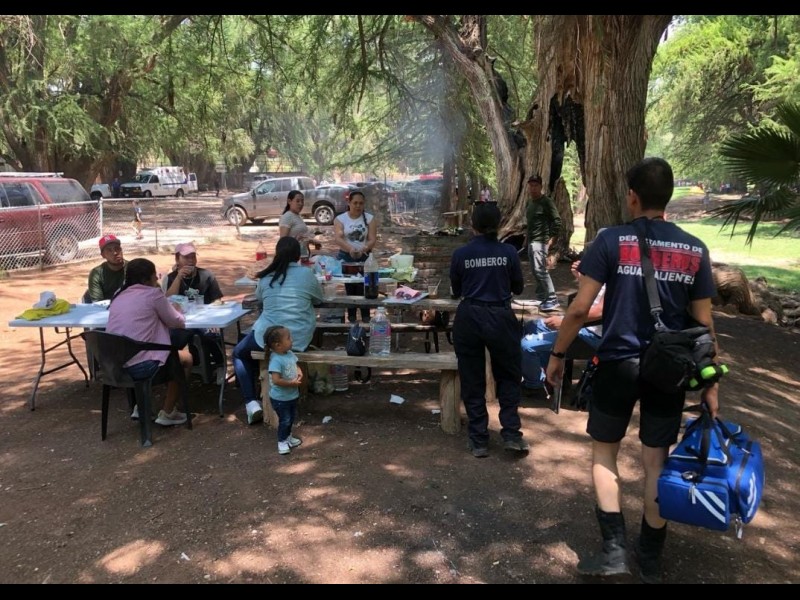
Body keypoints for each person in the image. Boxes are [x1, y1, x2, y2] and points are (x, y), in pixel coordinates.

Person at [545, 157, 719, 583]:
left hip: (617, 364)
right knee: (656, 460)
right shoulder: (695, 249)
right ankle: (651, 559)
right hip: (670, 369)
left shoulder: (610, 240)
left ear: (632, 196)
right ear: (669, 197)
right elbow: (704, 325)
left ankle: (615, 552)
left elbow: (580, 308)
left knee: (605, 453)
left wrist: (557, 355)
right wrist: (711, 385)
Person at [449, 201, 528, 458]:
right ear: (498, 224)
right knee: (508, 376)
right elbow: (518, 288)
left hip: (469, 316)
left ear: (472, 225)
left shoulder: (461, 254)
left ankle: (478, 440)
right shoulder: (509, 252)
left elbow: (456, 290)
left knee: (472, 379)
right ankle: (512, 434)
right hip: (501, 316)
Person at [232, 237, 323, 425]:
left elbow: (260, 298)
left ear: (277, 254)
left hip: (269, 337)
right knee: (248, 348)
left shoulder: (267, 277)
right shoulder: (306, 274)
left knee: (239, 353)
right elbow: (318, 298)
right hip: (297, 338)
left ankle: (251, 402)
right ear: (298, 255)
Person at [106, 258, 194, 426]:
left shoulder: (118, 295)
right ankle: (168, 411)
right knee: (185, 359)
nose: (157, 279)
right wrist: (177, 310)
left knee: (156, 351)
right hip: (140, 367)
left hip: (114, 365)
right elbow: (176, 322)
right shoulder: (153, 294)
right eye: (155, 275)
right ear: (147, 278)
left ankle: (142, 406)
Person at [521, 234, 608, 393]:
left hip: (591, 335)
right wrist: (582, 279)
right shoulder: (598, 273)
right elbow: (588, 301)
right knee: (533, 325)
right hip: (582, 326)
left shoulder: (615, 276)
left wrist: (564, 321)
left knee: (526, 345)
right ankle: (547, 374)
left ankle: (535, 385)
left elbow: (599, 311)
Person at [161, 242, 225, 366]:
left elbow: (217, 300)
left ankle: (220, 365)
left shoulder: (206, 275)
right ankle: (172, 366)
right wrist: (179, 278)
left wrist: (213, 320)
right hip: (181, 321)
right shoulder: (170, 278)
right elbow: (167, 300)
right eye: (186, 257)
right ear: (177, 259)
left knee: (211, 335)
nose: (190, 260)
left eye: (193, 257)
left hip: (204, 319)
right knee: (173, 338)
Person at [333, 190, 377, 323]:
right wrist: (350, 249)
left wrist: (364, 248)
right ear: (349, 203)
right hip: (346, 256)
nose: (358, 206)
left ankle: (366, 316)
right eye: (355, 203)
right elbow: (338, 238)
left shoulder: (370, 218)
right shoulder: (340, 219)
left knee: (365, 286)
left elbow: (372, 239)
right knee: (350, 286)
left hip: (364, 256)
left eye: (361, 203)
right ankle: (351, 317)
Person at [264, 325, 304, 455]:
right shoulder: (276, 360)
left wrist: (299, 372)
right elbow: (276, 380)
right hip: (280, 398)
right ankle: (281, 441)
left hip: (292, 395)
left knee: (291, 418)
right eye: (288, 338)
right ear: (278, 345)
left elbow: (295, 365)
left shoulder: (290, 354)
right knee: (285, 420)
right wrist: (291, 383)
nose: (292, 340)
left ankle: (288, 437)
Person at [525, 174, 561, 312]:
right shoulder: (529, 203)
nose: (533, 188)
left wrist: (552, 239)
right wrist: (526, 240)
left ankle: (552, 299)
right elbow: (530, 223)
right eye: (531, 185)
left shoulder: (546, 202)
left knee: (540, 270)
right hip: (531, 241)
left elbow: (557, 220)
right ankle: (542, 296)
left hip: (541, 242)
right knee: (535, 270)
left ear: (541, 187)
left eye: (536, 186)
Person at [278, 190, 321, 260]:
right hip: (292, 258)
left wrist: (312, 241)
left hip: (302, 256)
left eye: (302, 201)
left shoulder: (297, 216)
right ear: (289, 201)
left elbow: (301, 237)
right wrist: (297, 239)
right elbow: (283, 242)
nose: (301, 204)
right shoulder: (287, 216)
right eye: (297, 201)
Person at [84, 234, 127, 303]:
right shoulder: (97, 274)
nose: (115, 253)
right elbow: (98, 303)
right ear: (103, 255)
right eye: (109, 250)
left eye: (117, 248)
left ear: (121, 250)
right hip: (105, 306)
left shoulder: (133, 268)